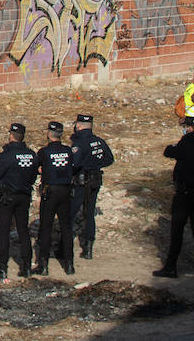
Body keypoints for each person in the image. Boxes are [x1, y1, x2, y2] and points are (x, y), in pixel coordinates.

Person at [153, 116, 194, 281]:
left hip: (186, 192)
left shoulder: (187, 140)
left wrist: (175, 146)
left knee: (177, 230)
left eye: (185, 126)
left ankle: (170, 267)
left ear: (189, 128)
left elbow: (169, 152)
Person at [0, 122, 36, 280]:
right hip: (24, 195)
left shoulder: (6, 156)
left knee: (4, 232)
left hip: (7, 197)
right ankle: (27, 266)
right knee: (23, 230)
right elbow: (34, 175)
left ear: (11, 136)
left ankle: (2, 269)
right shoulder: (31, 155)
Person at [69, 113, 115, 260]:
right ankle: (88, 249)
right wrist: (96, 165)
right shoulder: (99, 142)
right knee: (89, 214)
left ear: (80, 126)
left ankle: (65, 248)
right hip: (95, 181)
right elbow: (109, 159)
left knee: (71, 212)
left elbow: (74, 163)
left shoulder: (79, 143)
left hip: (81, 182)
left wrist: (84, 167)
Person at [34, 121, 74, 275]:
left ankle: (43, 265)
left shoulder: (44, 152)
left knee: (46, 227)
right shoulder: (68, 151)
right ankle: (69, 265)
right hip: (65, 191)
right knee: (66, 227)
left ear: (49, 134)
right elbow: (73, 167)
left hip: (50, 191)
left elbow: (38, 169)